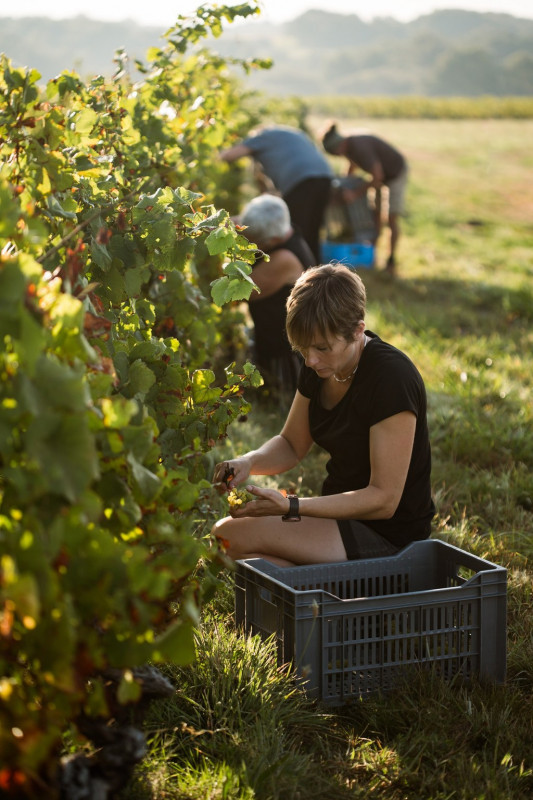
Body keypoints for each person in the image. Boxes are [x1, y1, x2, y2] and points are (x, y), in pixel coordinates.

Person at [212, 264, 435, 566]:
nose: (311, 360)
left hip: (389, 537)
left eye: (322, 348)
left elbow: (384, 500)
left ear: (357, 331)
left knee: (227, 536)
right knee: (238, 553)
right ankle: (331, 592)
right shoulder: (321, 366)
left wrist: (292, 507)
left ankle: (350, 586)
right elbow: (291, 444)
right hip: (336, 518)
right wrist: (248, 462)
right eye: (304, 349)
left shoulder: (390, 378)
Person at [219, 124, 333, 263]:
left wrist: (213, 159)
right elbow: (269, 191)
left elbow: (229, 156)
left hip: (299, 179)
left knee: (294, 232)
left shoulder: (261, 137)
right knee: (312, 231)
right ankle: (316, 270)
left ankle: (296, 270)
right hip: (325, 176)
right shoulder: (287, 134)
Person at [239, 194, 316, 399]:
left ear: (272, 240)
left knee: (272, 397)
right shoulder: (285, 229)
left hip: (283, 353)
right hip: (272, 340)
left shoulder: (284, 259)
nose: (249, 243)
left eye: (254, 241)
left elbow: (236, 293)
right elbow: (241, 223)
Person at [322, 123, 408, 275]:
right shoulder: (348, 148)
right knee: (375, 214)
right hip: (380, 177)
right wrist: (343, 186)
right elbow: (352, 168)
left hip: (395, 174)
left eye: (335, 153)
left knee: (390, 218)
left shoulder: (359, 146)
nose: (337, 156)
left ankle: (391, 261)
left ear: (339, 146)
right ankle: (371, 255)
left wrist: (355, 194)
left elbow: (377, 175)